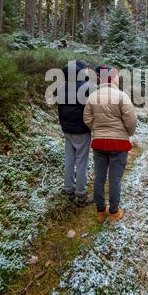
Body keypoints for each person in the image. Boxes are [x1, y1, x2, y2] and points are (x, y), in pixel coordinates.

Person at [84, 65, 137, 223]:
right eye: (116, 76)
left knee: (99, 177)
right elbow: (131, 120)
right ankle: (114, 212)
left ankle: (101, 212)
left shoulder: (93, 97)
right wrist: (128, 132)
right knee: (115, 179)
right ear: (112, 78)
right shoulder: (122, 96)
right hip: (119, 144)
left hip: (99, 143)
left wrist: (98, 130)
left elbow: (87, 119)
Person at [57, 59, 91, 207]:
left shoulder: (61, 87)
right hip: (82, 130)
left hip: (67, 130)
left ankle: (69, 190)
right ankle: (81, 194)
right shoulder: (86, 87)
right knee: (82, 163)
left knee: (69, 161)